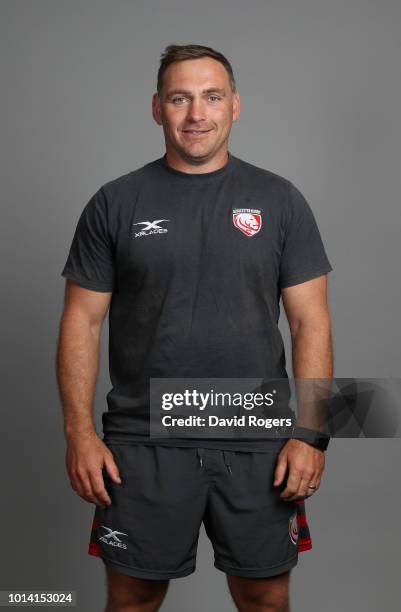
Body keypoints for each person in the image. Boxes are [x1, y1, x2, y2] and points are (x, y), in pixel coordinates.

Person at [57, 44, 333, 612]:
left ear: (236, 106)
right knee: (132, 598)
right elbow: (82, 322)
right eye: (180, 98)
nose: (196, 114)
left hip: (257, 434)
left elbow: (311, 322)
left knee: (265, 598)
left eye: (211, 97)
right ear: (157, 108)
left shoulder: (280, 201)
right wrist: (79, 434)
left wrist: (310, 435)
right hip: (143, 437)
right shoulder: (115, 202)